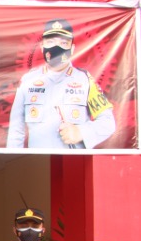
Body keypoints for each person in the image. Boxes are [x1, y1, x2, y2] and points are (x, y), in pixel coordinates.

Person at [6, 18, 117, 150]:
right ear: (42, 47)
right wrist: (15, 157)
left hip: (73, 160)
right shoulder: (28, 81)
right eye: (50, 42)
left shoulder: (85, 81)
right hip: (38, 160)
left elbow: (108, 122)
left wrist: (81, 132)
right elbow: (16, 130)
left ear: (72, 48)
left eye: (63, 43)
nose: (56, 48)